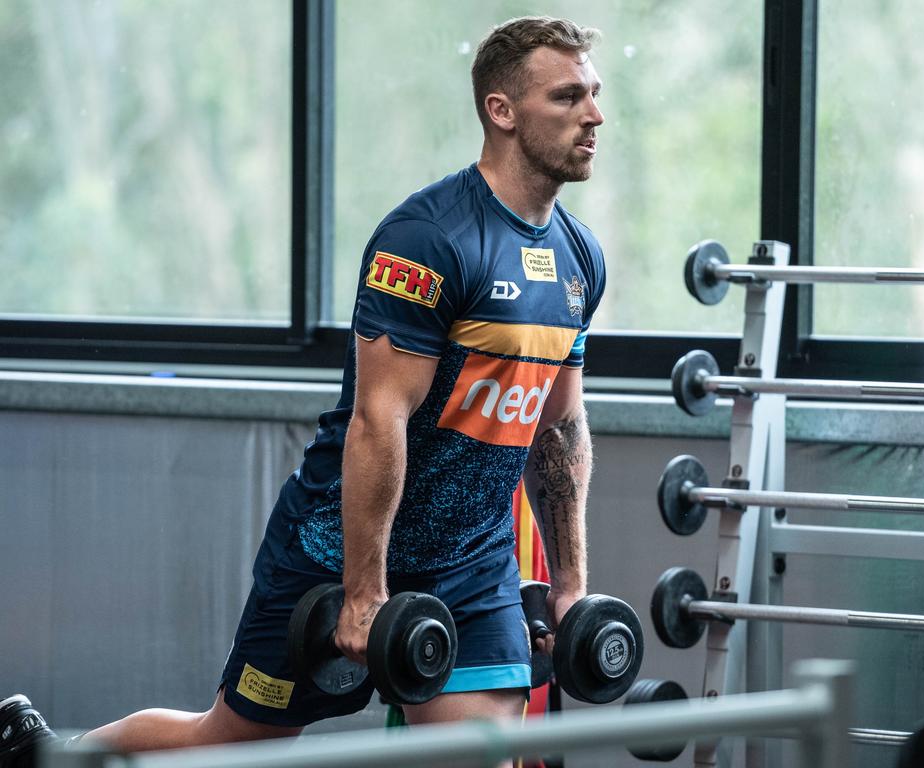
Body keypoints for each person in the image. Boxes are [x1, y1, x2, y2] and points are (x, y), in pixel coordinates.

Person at [1, 15, 606, 768]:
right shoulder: (427, 241)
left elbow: (560, 428)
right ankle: (53, 757)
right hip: (335, 547)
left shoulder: (580, 258)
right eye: (568, 97)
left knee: (483, 756)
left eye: (594, 95)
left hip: (470, 562)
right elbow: (377, 421)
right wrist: (362, 588)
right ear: (502, 110)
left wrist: (571, 584)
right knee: (230, 742)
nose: (594, 115)